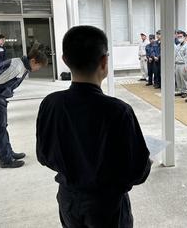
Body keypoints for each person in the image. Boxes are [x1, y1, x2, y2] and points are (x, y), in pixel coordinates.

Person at [36, 25, 151, 227]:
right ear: (104, 61)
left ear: (64, 60)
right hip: (106, 206)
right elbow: (137, 172)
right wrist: (147, 161)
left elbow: (44, 156)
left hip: (68, 200)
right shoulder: (118, 111)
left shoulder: (51, 104)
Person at [0, 49, 48, 168]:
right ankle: (5, 160)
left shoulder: (22, 66)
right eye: (38, 66)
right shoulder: (16, 67)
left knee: (2, 127)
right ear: (33, 61)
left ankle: (9, 153)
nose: (37, 69)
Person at [175, 30, 187, 98]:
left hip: (183, 64)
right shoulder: (177, 46)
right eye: (178, 37)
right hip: (177, 63)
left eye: (181, 36)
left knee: (184, 78)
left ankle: (185, 91)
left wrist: (186, 65)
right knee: (178, 78)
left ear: (185, 37)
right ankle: (180, 90)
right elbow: (175, 55)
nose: (179, 38)